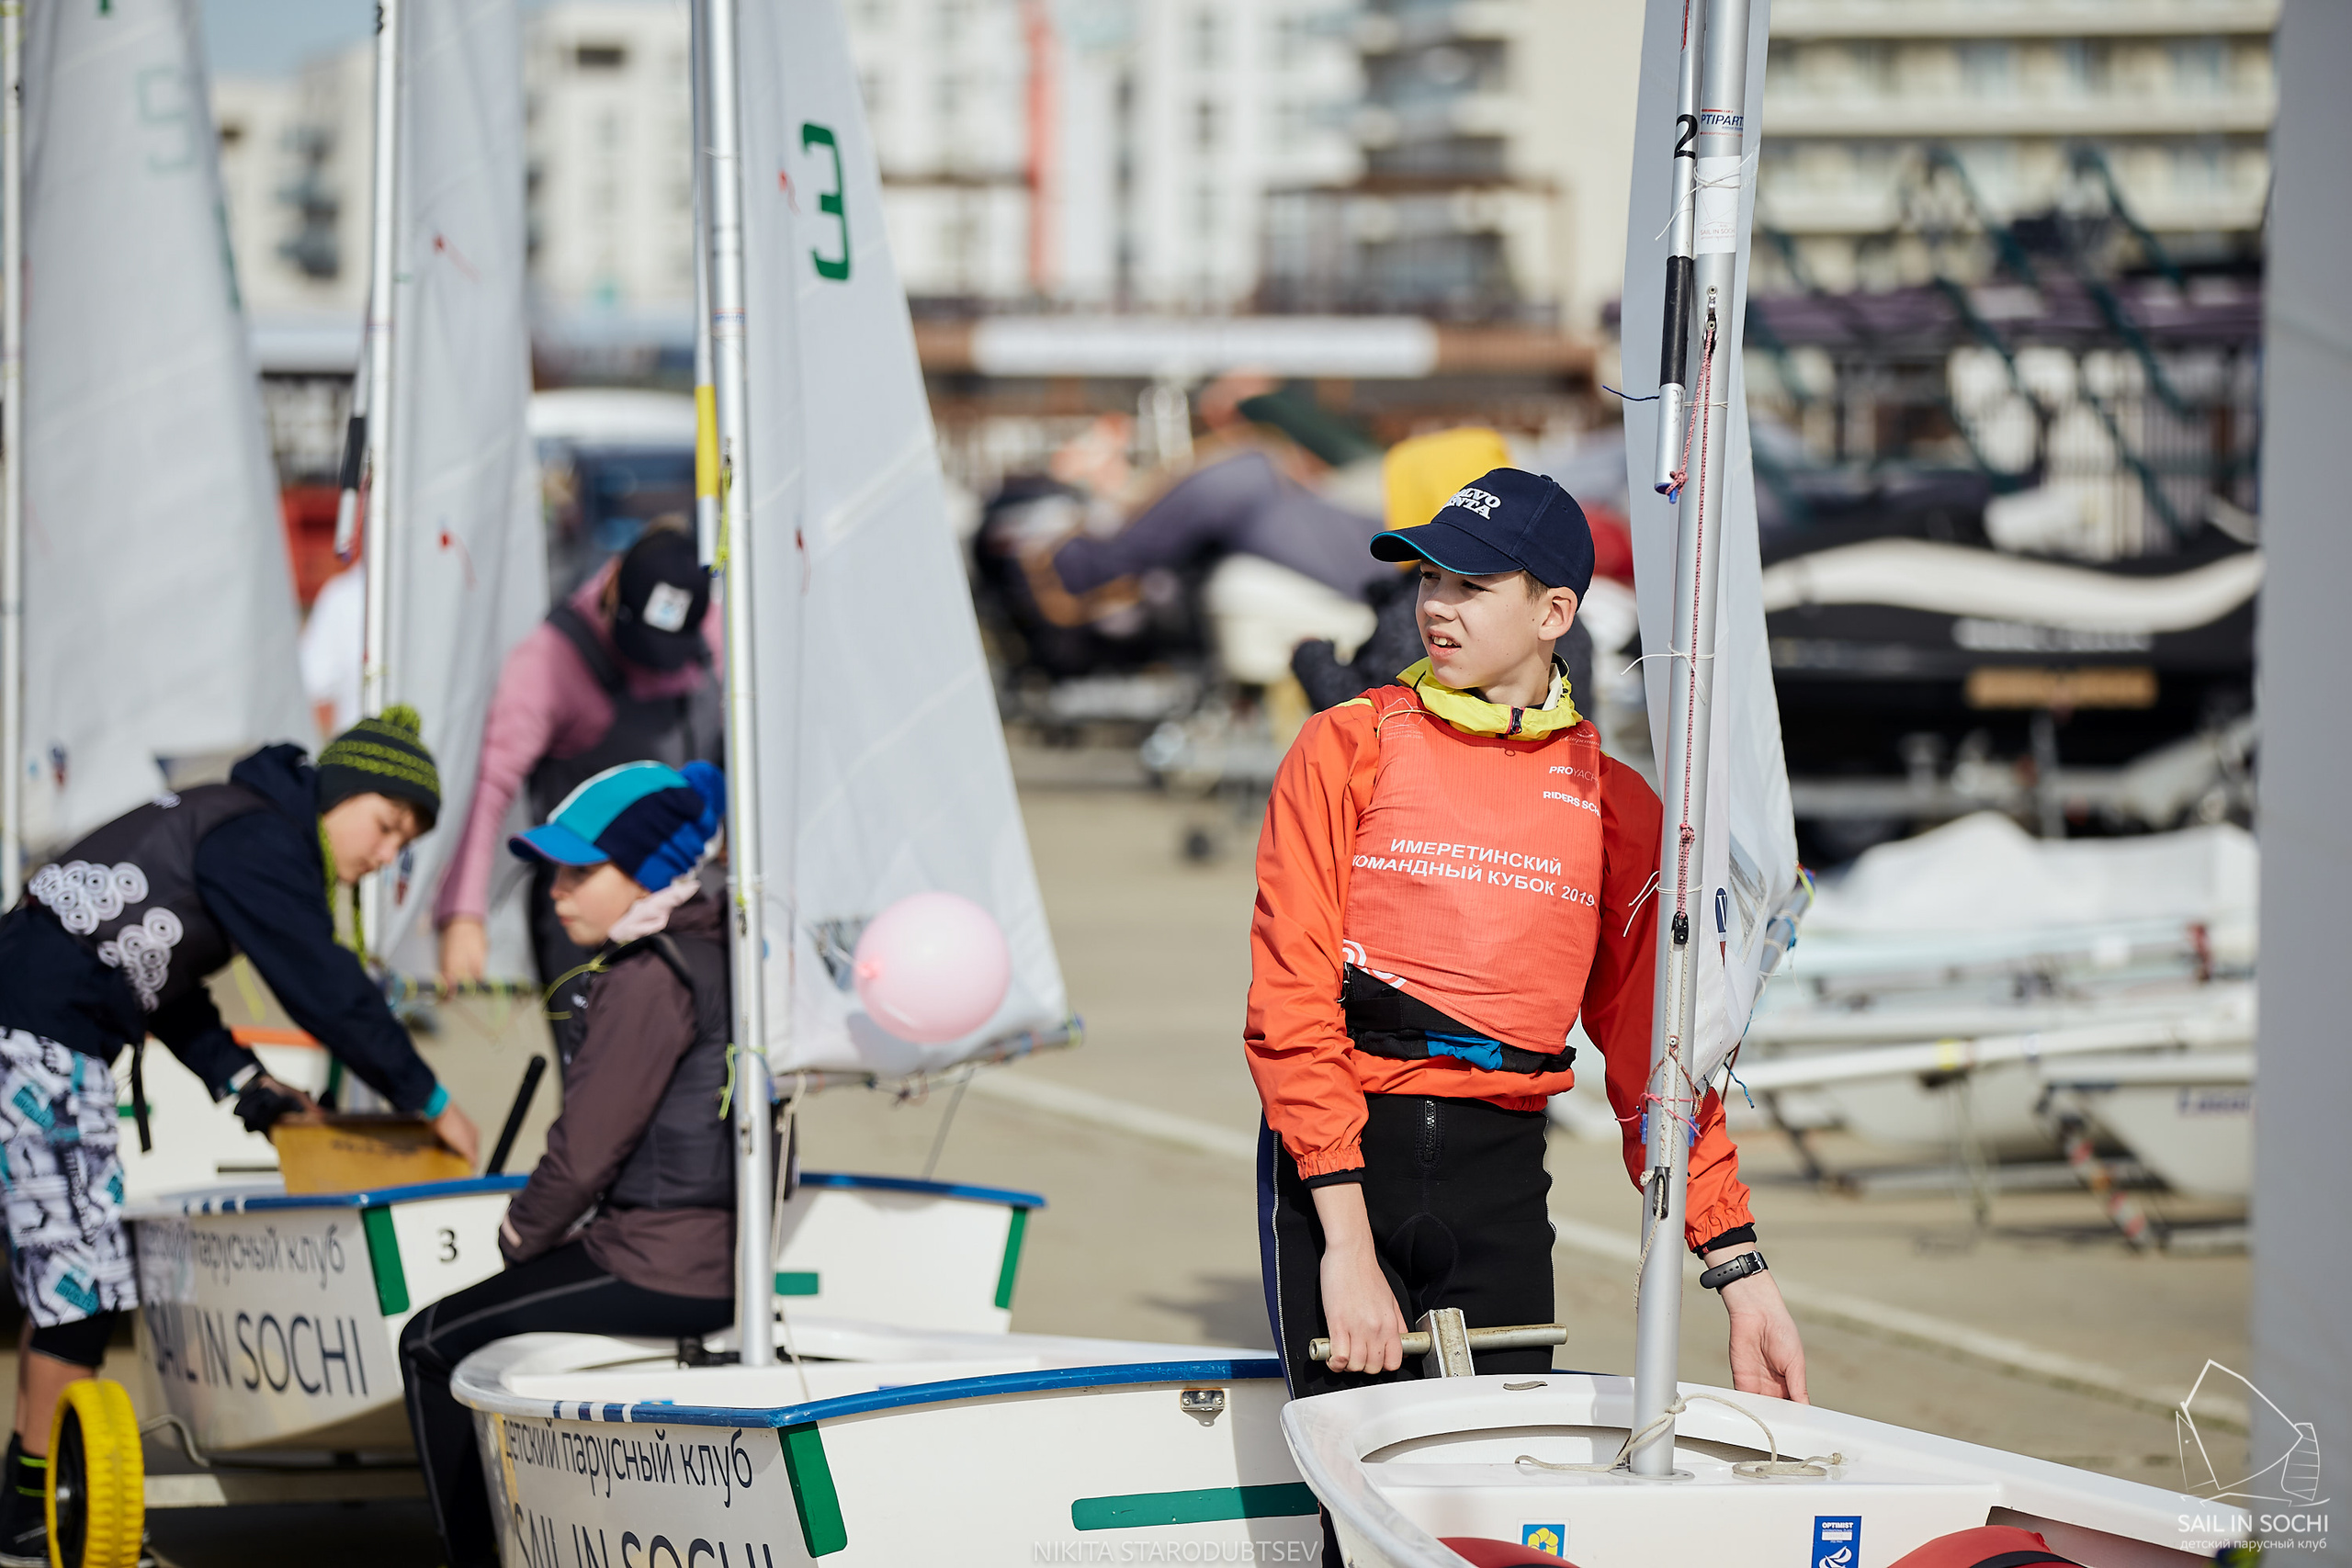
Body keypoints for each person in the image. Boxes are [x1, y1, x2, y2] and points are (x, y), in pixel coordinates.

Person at [1245, 469, 1805, 1461]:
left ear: (1554, 612)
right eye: (1427, 579)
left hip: (1500, 1182)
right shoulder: (1346, 745)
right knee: (1356, 1506)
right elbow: (1290, 1003)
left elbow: (1659, 1059)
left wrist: (1737, 1268)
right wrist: (1345, 1245)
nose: (1434, 606)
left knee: (1502, 1494)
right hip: (1340, 1172)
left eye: (1470, 585)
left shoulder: (1617, 805)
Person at [0, 706, 480, 1568]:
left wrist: (249, 1089)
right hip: (37, 1032)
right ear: (339, 793)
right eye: (385, 824)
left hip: (39, 1017)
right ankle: (40, 1521)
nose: (385, 854)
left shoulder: (224, 823)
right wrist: (429, 1092)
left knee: (60, 1281)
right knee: (82, 1287)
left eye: (404, 842)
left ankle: (26, 1507)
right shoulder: (263, 838)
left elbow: (165, 987)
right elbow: (321, 982)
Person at [402, 760, 738, 1568]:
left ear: (651, 874)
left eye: (584, 871)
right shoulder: (721, 947)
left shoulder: (648, 977)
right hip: (717, 1254)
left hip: (659, 1262)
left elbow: (585, 1152)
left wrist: (522, 1233)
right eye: (557, 870)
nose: (557, 889)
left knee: (429, 1341)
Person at [434, 523, 723, 991]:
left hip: (690, 900)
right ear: (611, 583)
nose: (655, 668)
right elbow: (489, 787)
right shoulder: (547, 664)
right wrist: (462, 912)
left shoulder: (712, 629)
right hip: (585, 916)